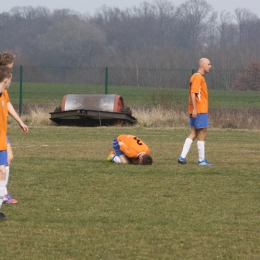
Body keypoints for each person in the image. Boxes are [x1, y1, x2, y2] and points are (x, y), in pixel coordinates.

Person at [0, 53, 29, 204]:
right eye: (10, 67)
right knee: (4, 164)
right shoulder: (2, 85)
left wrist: (19, 121)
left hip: (3, 132)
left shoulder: (4, 89)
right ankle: (3, 192)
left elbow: (8, 104)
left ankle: (3, 192)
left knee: (8, 159)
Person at [178, 58, 213, 166]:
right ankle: (201, 160)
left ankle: (182, 157)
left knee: (194, 133)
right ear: (202, 65)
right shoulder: (198, 77)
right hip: (200, 110)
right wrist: (195, 109)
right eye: (208, 64)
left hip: (197, 110)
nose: (210, 66)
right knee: (202, 133)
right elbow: (193, 92)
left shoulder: (197, 76)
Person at [0, 66, 13, 220]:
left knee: (2, 171)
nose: (11, 82)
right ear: (5, 80)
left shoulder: (4, 94)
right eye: (10, 79)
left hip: (2, 140)